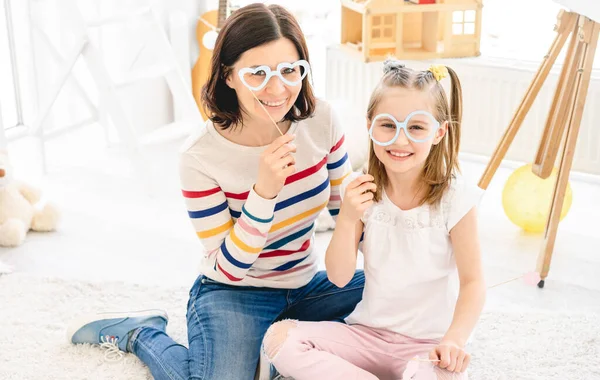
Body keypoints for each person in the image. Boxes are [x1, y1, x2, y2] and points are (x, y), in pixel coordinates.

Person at [66, 3, 364, 379]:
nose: (278, 88)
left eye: (290, 70)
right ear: (228, 76)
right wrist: (263, 193)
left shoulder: (322, 120)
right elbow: (230, 266)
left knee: (393, 290)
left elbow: (345, 214)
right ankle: (141, 333)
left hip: (306, 286)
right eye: (258, 73)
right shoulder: (200, 157)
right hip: (234, 294)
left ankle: (275, 351)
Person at [262, 59, 487, 380]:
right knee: (280, 338)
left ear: (439, 132)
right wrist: (349, 217)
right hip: (367, 336)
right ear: (369, 125)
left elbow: (474, 283)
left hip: (428, 347)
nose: (400, 140)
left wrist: (454, 339)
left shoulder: (456, 197)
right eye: (388, 125)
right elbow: (339, 277)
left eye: (416, 127)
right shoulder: (360, 190)